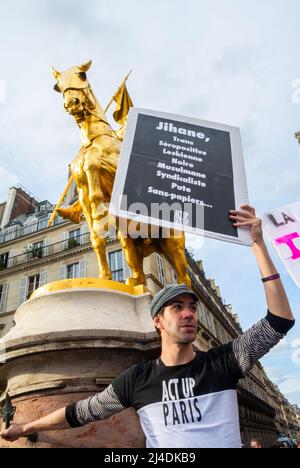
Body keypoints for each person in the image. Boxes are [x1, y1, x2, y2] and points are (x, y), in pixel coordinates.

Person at [0, 205, 295, 448]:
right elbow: (79, 412)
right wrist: (26, 426)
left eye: (192, 307)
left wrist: (257, 244)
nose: (189, 314)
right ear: (158, 321)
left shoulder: (223, 362)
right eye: (177, 308)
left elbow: (279, 320)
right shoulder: (137, 379)